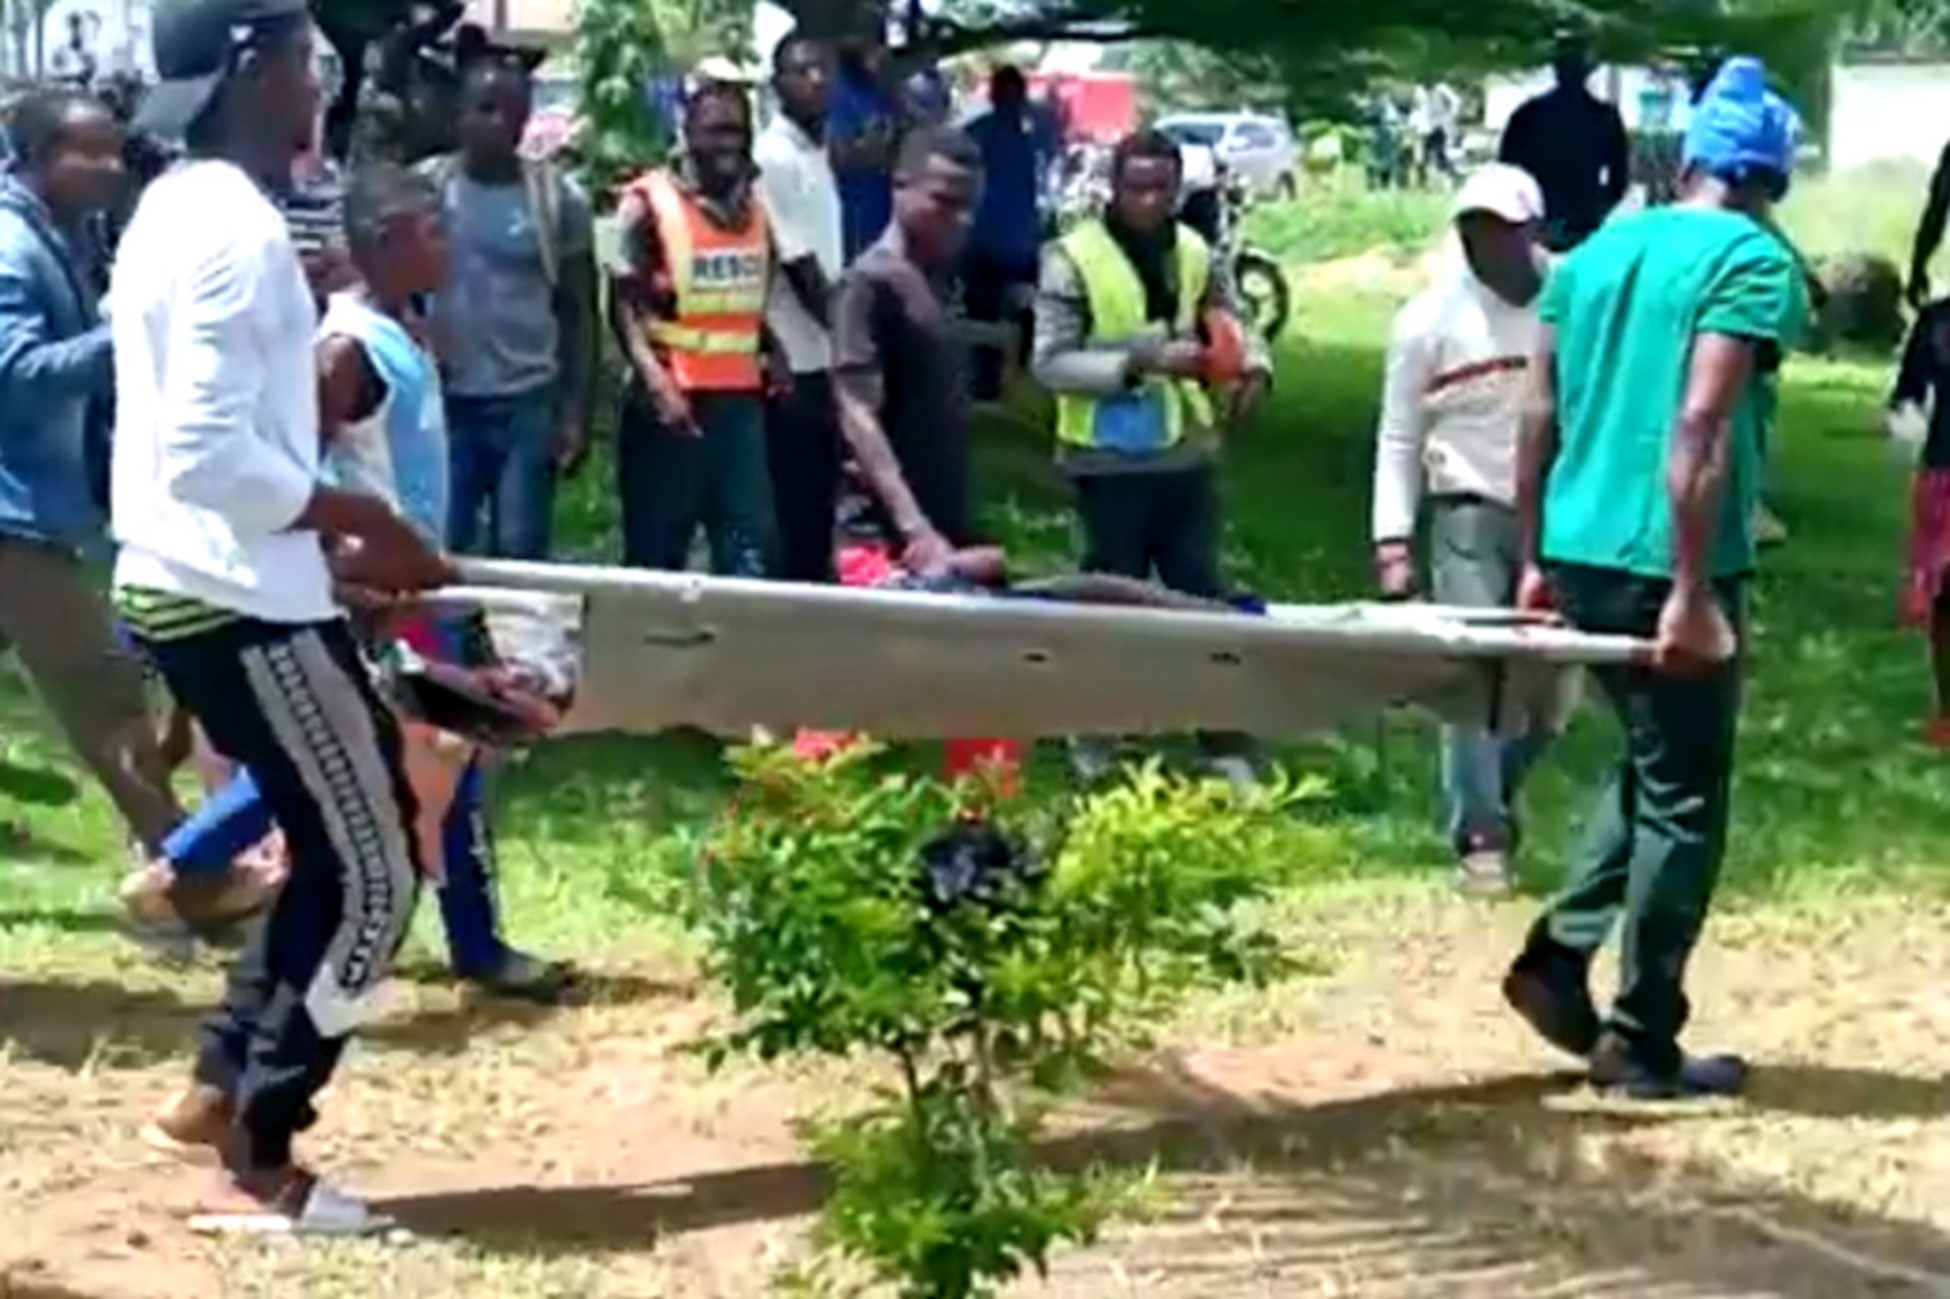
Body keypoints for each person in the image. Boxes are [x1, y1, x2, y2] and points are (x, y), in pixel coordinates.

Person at [114, 0, 451, 1232]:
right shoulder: (232, 231)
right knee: (374, 874)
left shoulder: (178, 208)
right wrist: (364, 526)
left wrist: (327, 566)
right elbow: (211, 459)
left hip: (216, 582)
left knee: (338, 845)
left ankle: (218, 1091)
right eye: (312, 58)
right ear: (256, 69)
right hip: (230, 597)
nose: (326, 79)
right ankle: (261, 1156)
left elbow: (202, 442)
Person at [1504, 57, 1806, 1100]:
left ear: (1683, 156)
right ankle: (1641, 1041)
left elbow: (1537, 413)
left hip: (1581, 551)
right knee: (1687, 802)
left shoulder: (1590, 255)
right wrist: (1691, 590)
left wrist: (1533, 556)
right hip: (1666, 560)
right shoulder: (1750, 261)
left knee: (1650, 766)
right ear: (1774, 175)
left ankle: (1558, 957)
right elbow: (1700, 424)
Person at [0, 87, 244, 923]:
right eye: (88, 154)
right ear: (33, 156)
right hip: (11, 516)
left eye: (114, 151)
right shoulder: (9, 245)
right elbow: (16, 376)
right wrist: (135, 331)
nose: (108, 169)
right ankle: (189, 873)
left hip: (35, 502)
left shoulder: (56, 231)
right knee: (105, 693)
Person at [1031, 128, 1272, 789]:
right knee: (1113, 597)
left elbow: (1231, 313)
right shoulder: (1070, 257)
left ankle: (1221, 733)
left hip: (1184, 452)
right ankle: (1095, 729)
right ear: (1112, 185)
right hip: (1106, 458)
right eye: (1135, 186)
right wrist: (1138, 363)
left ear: (1177, 188)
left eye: (1161, 188)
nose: (1147, 200)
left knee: (1200, 593)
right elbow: (1049, 363)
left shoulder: (1195, 250)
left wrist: (1253, 364)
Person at [1371, 164, 1553, 893]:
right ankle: (1481, 829)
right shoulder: (1427, 321)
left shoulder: (1576, 296)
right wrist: (1391, 539)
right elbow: (1398, 435)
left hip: (1561, 515)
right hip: (1468, 508)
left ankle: (1495, 791)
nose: (1486, 244)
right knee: (1473, 671)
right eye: (1472, 229)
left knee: (1549, 682)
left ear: (1532, 230)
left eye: (1502, 229)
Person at [424, 52, 596, 560]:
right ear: (459, 114)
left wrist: (576, 412)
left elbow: (579, 311)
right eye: (485, 108)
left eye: (513, 112)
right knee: (443, 543)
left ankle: (516, 642)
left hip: (527, 402)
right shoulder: (429, 191)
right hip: (447, 400)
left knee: (520, 551)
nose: (500, 123)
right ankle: (449, 642)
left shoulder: (558, 199)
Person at [611, 79, 779, 578]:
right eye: (717, 130)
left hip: (739, 407)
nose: (730, 142)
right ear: (689, 132)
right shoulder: (646, 204)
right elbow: (621, 305)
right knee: (657, 554)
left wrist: (775, 350)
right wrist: (656, 382)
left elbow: (740, 298)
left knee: (748, 551)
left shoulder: (753, 205)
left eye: (739, 130)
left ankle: (737, 656)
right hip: (671, 409)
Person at [832, 126, 986, 570]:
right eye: (945, 202)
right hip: (883, 538)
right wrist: (914, 526)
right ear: (900, 187)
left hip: (944, 526)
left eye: (970, 206)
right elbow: (856, 413)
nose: (961, 220)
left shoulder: (940, 281)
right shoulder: (869, 284)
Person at [755, 33, 845, 584]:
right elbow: (799, 266)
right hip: (794, 360)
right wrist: (855, 339)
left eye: (823, 70)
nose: (815, 80)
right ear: (777, 84)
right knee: (797, 506)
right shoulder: (774, 157)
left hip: (823, 356)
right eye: (801, 71)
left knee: (817, 502)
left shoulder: (816, 150)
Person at [1499, 31, 1630, 252]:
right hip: (1580, 221)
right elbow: (1619, 180)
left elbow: (1507, 169)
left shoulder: (1528, 115)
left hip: (1541, 221)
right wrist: (1597, 208)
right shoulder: (1604, 117)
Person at [963, 65, 1048, 401]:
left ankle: (998, 383)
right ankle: (995, 384)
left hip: (1008, 242)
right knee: (996, 315)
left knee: (1004, 316)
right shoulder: (989, 136)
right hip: (993, 241)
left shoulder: (988, 134)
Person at [1890, 300, 1950, 745]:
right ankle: (1948, 712)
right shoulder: (1938, 320)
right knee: (1945, 596)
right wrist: (1906, 420)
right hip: (1943, 472)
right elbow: (1907, 391)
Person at [829, 28, 901, 264]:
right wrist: (876, 153)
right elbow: (841, 156)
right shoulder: (839, 94)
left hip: (882, 204)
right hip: (853, 210)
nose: (879, 55)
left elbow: (896, 140)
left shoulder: (878, 92)